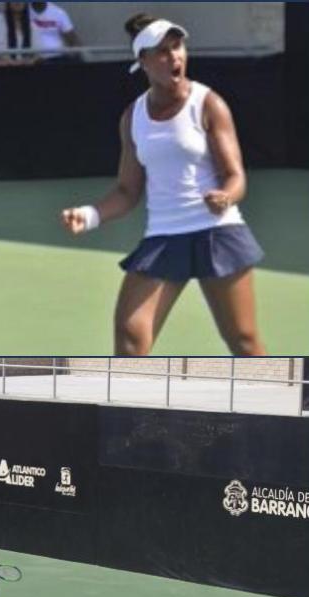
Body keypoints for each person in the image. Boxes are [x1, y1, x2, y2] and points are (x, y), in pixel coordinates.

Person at [61, 15, 266, 356]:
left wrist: (226, 196)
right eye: (162, 51)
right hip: (163, 237)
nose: (175, 56)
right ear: (142, 60)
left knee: (243, 341)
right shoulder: (132, 117)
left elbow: (236, 175)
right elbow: (127, 191)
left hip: (216, 232)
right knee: (130, 338)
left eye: (178, 46)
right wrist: (90, 215)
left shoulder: (209, 103)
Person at [0, 2, 35, 67]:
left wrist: (29, 60)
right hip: (2, 63)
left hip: (25, 64)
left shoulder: (32, 22)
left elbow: (37, 51)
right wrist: (10, 62)